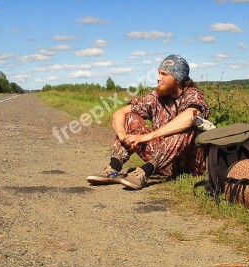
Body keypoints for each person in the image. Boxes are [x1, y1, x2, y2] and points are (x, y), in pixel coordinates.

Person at [87, 54, 210, 190]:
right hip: (161, 161)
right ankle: (113, 169)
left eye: (164, 74)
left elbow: (190, 117)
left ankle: (144, 172)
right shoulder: (156, 97)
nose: (158, 78)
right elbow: (120, 113)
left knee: (187, 126)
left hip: (189, 165)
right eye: (158, 73)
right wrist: (122, 135)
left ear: (178, 78)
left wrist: (148, 136)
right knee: (130, 117)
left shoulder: (193, 95)